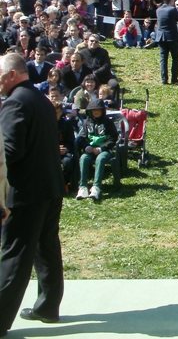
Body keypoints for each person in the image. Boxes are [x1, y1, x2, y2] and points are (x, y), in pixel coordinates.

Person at [0, 53, 65, 335]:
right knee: (46, 248)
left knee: (15, 254)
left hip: (26, 192)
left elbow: (10, 150)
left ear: (11, 75)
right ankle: (48, 307)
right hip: (50, 187)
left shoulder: (15, 102)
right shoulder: (40, 99)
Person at [76, 98, 119, 201]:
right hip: (90, 150)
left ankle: (96, 187)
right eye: (93, 110)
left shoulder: (108, 123)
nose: (96, 112)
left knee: (100, 159)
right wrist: (87, 147)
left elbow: (113, 138)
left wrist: (101, 148)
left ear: (102, 111)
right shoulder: (87, 122)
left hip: (104, 151)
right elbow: (81, 137)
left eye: (98, 110)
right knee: (83, 158)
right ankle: (83, 187)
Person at [155, 0, 178, 85]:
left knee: (163, 59)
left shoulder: (158, 10)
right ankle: (174, 79)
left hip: (160, 36)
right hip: (171, 37)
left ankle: (164, 79)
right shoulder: (172, 9)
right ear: (171, 1)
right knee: (175, 58)